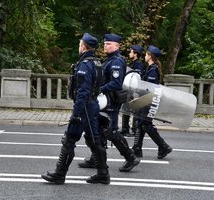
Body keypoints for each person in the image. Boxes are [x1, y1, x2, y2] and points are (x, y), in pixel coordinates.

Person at [41, 33, 110, 184]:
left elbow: (83, 92)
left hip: (84, 107)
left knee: (69, 139)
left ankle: (59, 174)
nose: (79, 46)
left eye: (80, 44)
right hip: (92, 106)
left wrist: (76, 114)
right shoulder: (97, 63)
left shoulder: (85, 64)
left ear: (84, 46)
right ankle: (103, 173)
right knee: (94, 140)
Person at [78, 33, 140, 172]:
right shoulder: (109, 60)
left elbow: (116, 83)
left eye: (109, 44)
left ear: (117, 46)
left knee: (110, 131)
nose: (106, 46)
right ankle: (96, 159)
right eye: (105, 44)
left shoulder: (117, 61)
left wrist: (99, 89)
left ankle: (131, 158)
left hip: (111, 101)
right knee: (98, 130)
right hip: (104, 101)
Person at [132, 45, 172, 159]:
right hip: (145, 101)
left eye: (146, 54)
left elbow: (150, 89)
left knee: (146, 125)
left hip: (149, 101)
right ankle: (137, 148)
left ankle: (163, 146)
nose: (144, 56)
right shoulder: (150, 68)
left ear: (150, 56)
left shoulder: (153, 70)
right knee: (141, 124)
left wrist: (139, 97)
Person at [120, 45, 145, 137]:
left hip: (133, 91)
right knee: (126, 109)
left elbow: (136, 79)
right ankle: (125, 129)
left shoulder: (138, 65)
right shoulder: (132, 64)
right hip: (129, 90)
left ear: (135, 54)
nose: (129, 53)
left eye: (131, 52)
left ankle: (132, 129)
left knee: (132, 110)